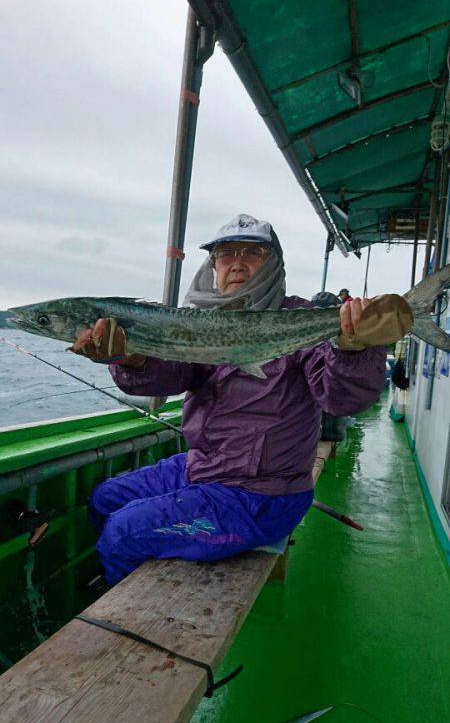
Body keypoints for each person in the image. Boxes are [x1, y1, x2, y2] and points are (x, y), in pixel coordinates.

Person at [69, 214, 410, 586]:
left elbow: (342, 399)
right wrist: (131, 358)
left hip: (262, 496)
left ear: (274, 263)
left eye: (253, 252)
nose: (237, 262)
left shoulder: (301, 319)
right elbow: (173, 374)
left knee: (122, 532)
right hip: (204, 468)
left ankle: (119, 604)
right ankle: (118, 574)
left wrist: (354, 349)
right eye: (225, 253)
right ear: (213, 265)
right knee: (105, 498)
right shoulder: (201, 322)